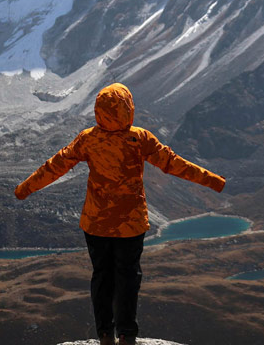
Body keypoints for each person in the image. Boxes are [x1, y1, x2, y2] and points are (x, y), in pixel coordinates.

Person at [15, 82, 226, 345]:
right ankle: (126, 334)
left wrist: (25, 189)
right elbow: (173, 163)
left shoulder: (88, 139)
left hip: (96, 223)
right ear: (128, 108)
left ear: (98, 110)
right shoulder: (140, 138)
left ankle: (105, 333)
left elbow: (55, 165)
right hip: (131, 223)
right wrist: (213, 181)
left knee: (102, 275)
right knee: (128, 276)